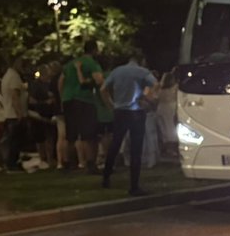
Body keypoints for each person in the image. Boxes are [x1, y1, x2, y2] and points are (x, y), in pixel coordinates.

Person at [101, 51, 157, 195]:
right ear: (141, 60)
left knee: (115, 144)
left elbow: (103, 89)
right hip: (136, 112)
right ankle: (134, 186)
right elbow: (156, 85)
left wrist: (111, 105)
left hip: (119, 111)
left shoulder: (117, 71)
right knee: (135, 149)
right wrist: (146, 98)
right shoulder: (143, 72)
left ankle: (106, 177)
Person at [59, 39, 104, 172]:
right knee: (88, 134)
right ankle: (90, 163)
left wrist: (63, 97)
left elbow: (61, 81)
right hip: (84, 100)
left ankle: (67, 163)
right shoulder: (92, 64)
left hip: (68, 99)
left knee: (70, 135)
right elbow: (99, 80)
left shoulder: (70, 64)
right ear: (95, 50)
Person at [0, 55, 27, 172]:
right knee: (15, 141)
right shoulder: (14, 77)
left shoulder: (7, 76)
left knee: (12, 140)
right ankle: (12, 163)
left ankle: (11, 162)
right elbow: (14, 95)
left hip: (9, 113)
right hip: (14, 114)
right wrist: (19, 112)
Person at [28, 64, 57, 168]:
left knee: (50, 137)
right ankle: (43, 158)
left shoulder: (50, 84)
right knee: (40, 138)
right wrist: (45, 102)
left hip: (49, 113)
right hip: (39, 113)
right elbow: (31, 100)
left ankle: (50, 158)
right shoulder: (35, 85)